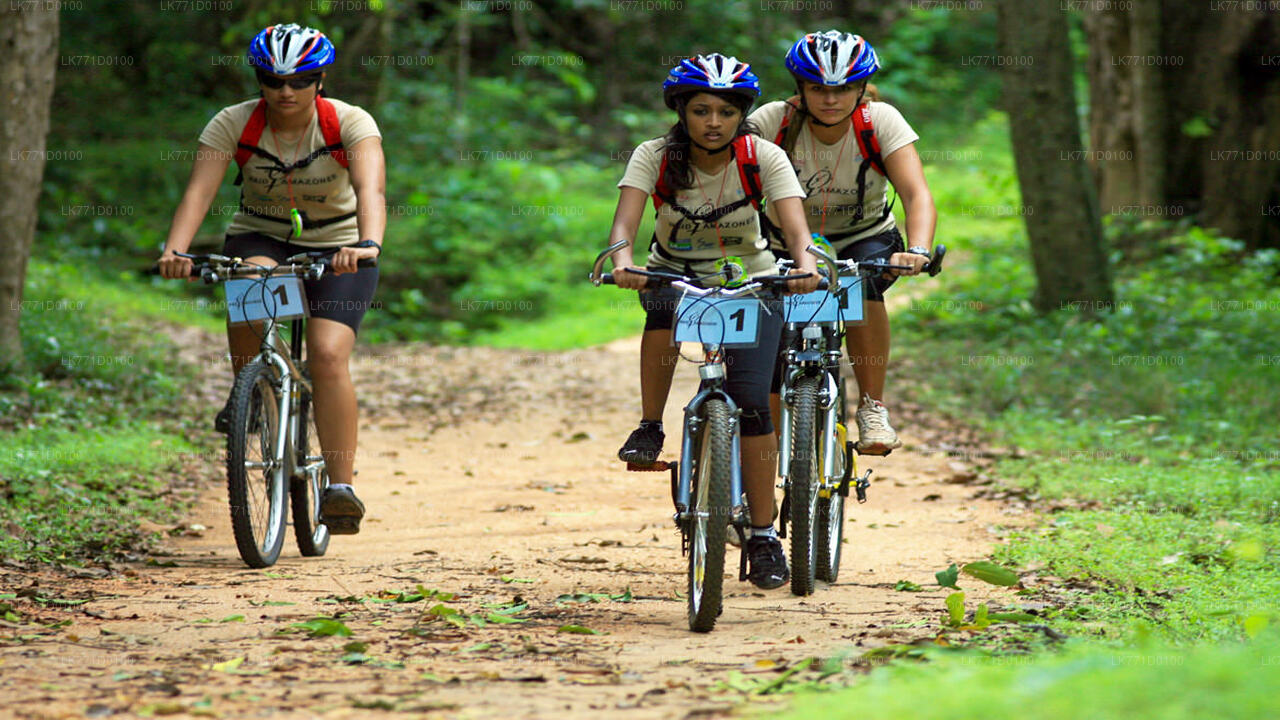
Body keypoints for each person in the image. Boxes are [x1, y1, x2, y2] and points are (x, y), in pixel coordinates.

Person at [156, 23, 385, 535]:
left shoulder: (351, 122)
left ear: (319, 80)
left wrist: (367, 244)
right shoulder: (232, 123)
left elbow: (372, 190)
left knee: (327, 355)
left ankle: (341, 488)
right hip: (262, 237)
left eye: (300, 80)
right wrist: (175, 250)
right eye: (272, 79)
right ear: (259, 80)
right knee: (248, 288)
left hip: (339, 244)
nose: (286, 91)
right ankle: (253, 393)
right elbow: (198, 192)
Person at [607, 54, 820, 589]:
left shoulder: (762, 155)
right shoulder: (653, 155)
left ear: (740, 114)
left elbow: (795, 228)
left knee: (753, 405)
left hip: (751, 279)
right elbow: (624, 223)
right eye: (700, 110)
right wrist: (620, 263)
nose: (712, 122)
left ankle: (766, 535)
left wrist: (806, 265)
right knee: (661, 313)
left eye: (725, 112)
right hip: (675, 273)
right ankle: (651, 426)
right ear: (681, 111)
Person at [750, 30, 938, 455]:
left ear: (860, 89)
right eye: (818, 88)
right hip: (782, 241)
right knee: (774, 329)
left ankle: (872, 407)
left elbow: (916, 193)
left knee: (863, 284)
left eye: (843, 89)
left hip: (863, 235)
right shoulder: (771, 122)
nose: (830, 99)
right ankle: (764, 441)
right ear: (800, 89)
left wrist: (920, 249)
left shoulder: (880, 121)